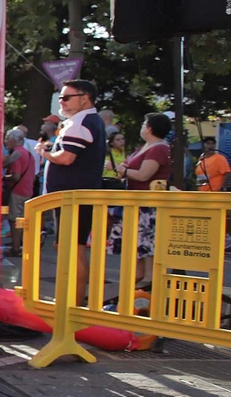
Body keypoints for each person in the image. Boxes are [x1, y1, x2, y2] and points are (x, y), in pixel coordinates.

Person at [38, 80, 106, 305]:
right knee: (68, 247)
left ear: (84, 97)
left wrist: (44, 153)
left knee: (73, 249)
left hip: (74, 198)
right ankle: (70, 301)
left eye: (66, 97)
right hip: (72, 196)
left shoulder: (81, 122)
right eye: (60, 98)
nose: (62, 102)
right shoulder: (85, 121)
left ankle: (72, 304)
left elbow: (67, 158)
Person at [107, 113, 173, 291]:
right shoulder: (146, 147)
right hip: (135, 200)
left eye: (145, 123)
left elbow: (144, 174)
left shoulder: (159, 148)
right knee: (137, 243)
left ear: (150, 128)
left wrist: (118, 169)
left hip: (148, 203)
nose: (142, 126)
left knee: (147, 242)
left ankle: (149, 278)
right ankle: (138, 277)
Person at [2, 128, 34, 256]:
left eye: (7, 139)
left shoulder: (17, 154)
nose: (5, 142)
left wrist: (2, 177)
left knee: (14, 220)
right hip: (27, 189)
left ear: (13, 140)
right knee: (21, 219)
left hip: (17, 190)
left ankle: (16, 248)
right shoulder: (27, 152)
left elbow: (16, 176)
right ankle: (19, 243)